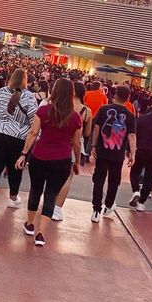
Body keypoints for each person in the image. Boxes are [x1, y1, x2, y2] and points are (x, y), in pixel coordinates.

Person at [16, 78, 81, 247]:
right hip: (62, 160)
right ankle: (41, 234)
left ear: (54, 91)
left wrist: (23, 154)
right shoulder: (75, 117)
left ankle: (30, 224)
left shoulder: (43, 110)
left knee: (35, 190)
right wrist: (77, 161)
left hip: (40, 156)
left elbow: (33, 132)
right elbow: (76, 142)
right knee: (51, 194)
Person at [0, 68, 37, 210]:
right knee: (16, 168)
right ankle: (13, 197)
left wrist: (0, 119)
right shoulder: (30, 97)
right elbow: (33, 118)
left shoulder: (1, 91)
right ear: (25, 80)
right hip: (18, 136)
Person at [90, 85, 136, 222]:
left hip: (102, 151)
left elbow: (97, 128)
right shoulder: (130, 115)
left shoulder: (104, 109)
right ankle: (108, 205)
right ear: (128, 98)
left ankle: (96, 210)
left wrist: (93, 145)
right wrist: (132, 153)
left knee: (98, 180)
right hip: (118, 154)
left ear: (114, 95)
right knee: (114, 181)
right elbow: (132, 135)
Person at [53, 81, 92, 220]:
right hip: (73, 145)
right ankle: (57, 208)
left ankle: (48, 201)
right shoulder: (86, 111)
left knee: (52, 174)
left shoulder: (59, 104)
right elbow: (87, 133)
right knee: (67, 178)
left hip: (56, 141)